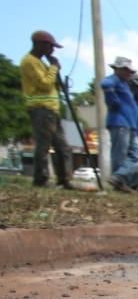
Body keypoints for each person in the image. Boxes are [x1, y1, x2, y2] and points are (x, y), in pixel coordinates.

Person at [19, 30, 72, 189]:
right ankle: (40, 180)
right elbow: (44, 84)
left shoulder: (41, 63)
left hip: (52, 110)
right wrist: (54, 67)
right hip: (40, 109)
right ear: (40, 45)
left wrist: (53, 69)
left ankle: (64, 180)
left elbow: (52, 86)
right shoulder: (29, 61)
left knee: (63, 147)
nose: (53, 51)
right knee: (44, 146)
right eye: (51, 47)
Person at [101, 56, 138, 193]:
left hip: (130, 125)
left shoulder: (125, 85)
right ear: (117, 69)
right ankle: (119, 182)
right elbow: (105, 83)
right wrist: (112, 98)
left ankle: (120, 177)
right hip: (119, 122)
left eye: (129, 71)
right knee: (119, 155)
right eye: (125, 70)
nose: (128, 73)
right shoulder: (114, 80)